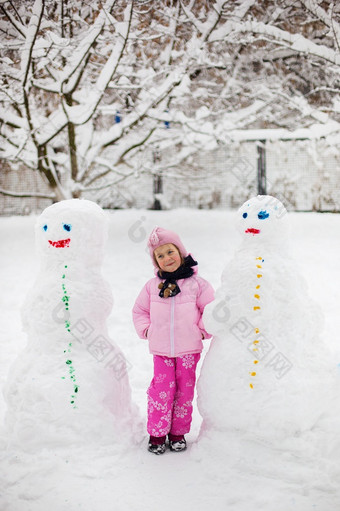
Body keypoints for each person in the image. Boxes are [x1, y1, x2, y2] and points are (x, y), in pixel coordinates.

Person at [132, 227, 214, 454]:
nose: (167, 258)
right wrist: (147, 330)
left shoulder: (198, 285)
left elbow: (212, 310)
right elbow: (139, 311)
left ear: (181, 252)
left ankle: (178, 433)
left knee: (184, 390)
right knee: (161, 390)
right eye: (160, 255)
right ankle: (157, 433)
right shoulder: (152, 287)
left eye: (170, 252)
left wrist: (202, 331)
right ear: (155, 262)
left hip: (189, 350)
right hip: (161, 351)